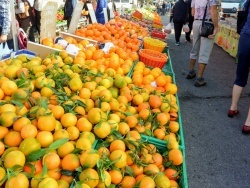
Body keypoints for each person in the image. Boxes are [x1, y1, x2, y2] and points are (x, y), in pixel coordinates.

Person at [228, 0, 250, 134]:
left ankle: (232, 107)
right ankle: (248, 123)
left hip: (246, 36)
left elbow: (242, 13)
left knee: (240, 76)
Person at [186, 0, 219, 87]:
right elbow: (213, 10)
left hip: (196, 22)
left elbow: (192, 13)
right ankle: (199, 78)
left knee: (194, 48)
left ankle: (191, 71)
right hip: (207, 23)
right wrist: (216, 26)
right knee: (204, 51)